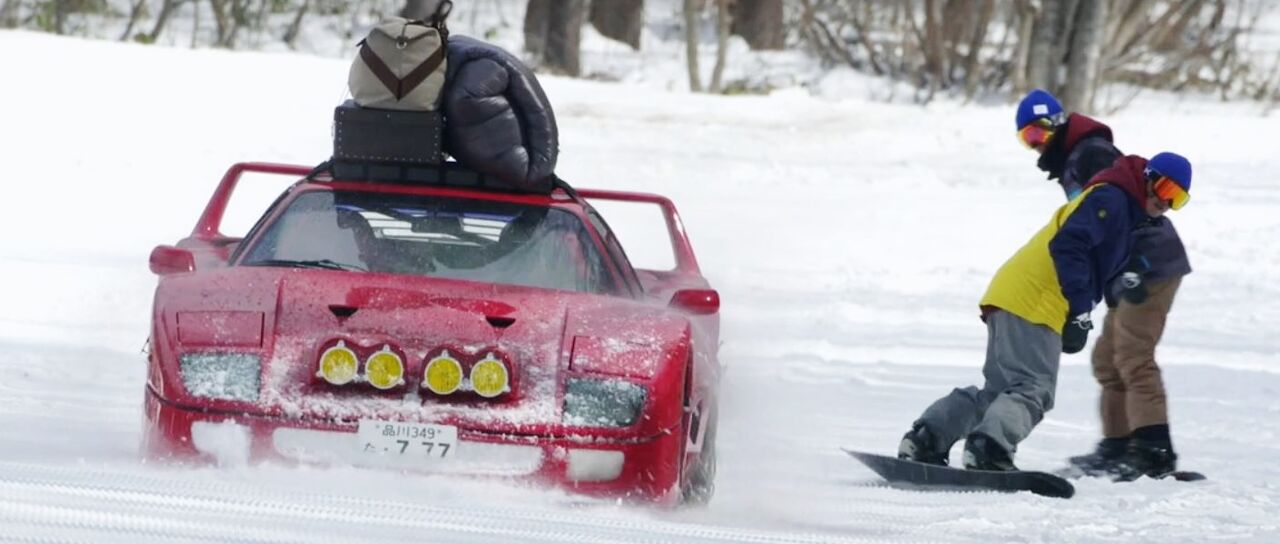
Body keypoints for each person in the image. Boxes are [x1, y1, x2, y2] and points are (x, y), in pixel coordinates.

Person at [897, 151, 1194, 472]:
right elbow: (1070, 245)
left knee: (998, 393)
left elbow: (1089, 256)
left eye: (1177, 198)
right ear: (1147, 177)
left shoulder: (1116, 205)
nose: (1166, 202)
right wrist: (1079, 310)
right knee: (1033, 388)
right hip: (1036, 300)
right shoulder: (1114, 198)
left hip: (1012, 294)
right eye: (1165, 189)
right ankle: (990, 447)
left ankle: (927, 437)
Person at [1015, 89, 1195, 480]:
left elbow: (1125, 212)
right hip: (1129, 269)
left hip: (1151, 267)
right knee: (1107, 360)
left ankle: (1153, 451)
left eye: (1041, 134)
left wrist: (1133, 265)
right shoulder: (1075, 158)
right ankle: (1118, 445)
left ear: (1059, 124)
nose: (1038, 145)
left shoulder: (1089, 153)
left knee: (1132, 355)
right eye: (1028, 138)